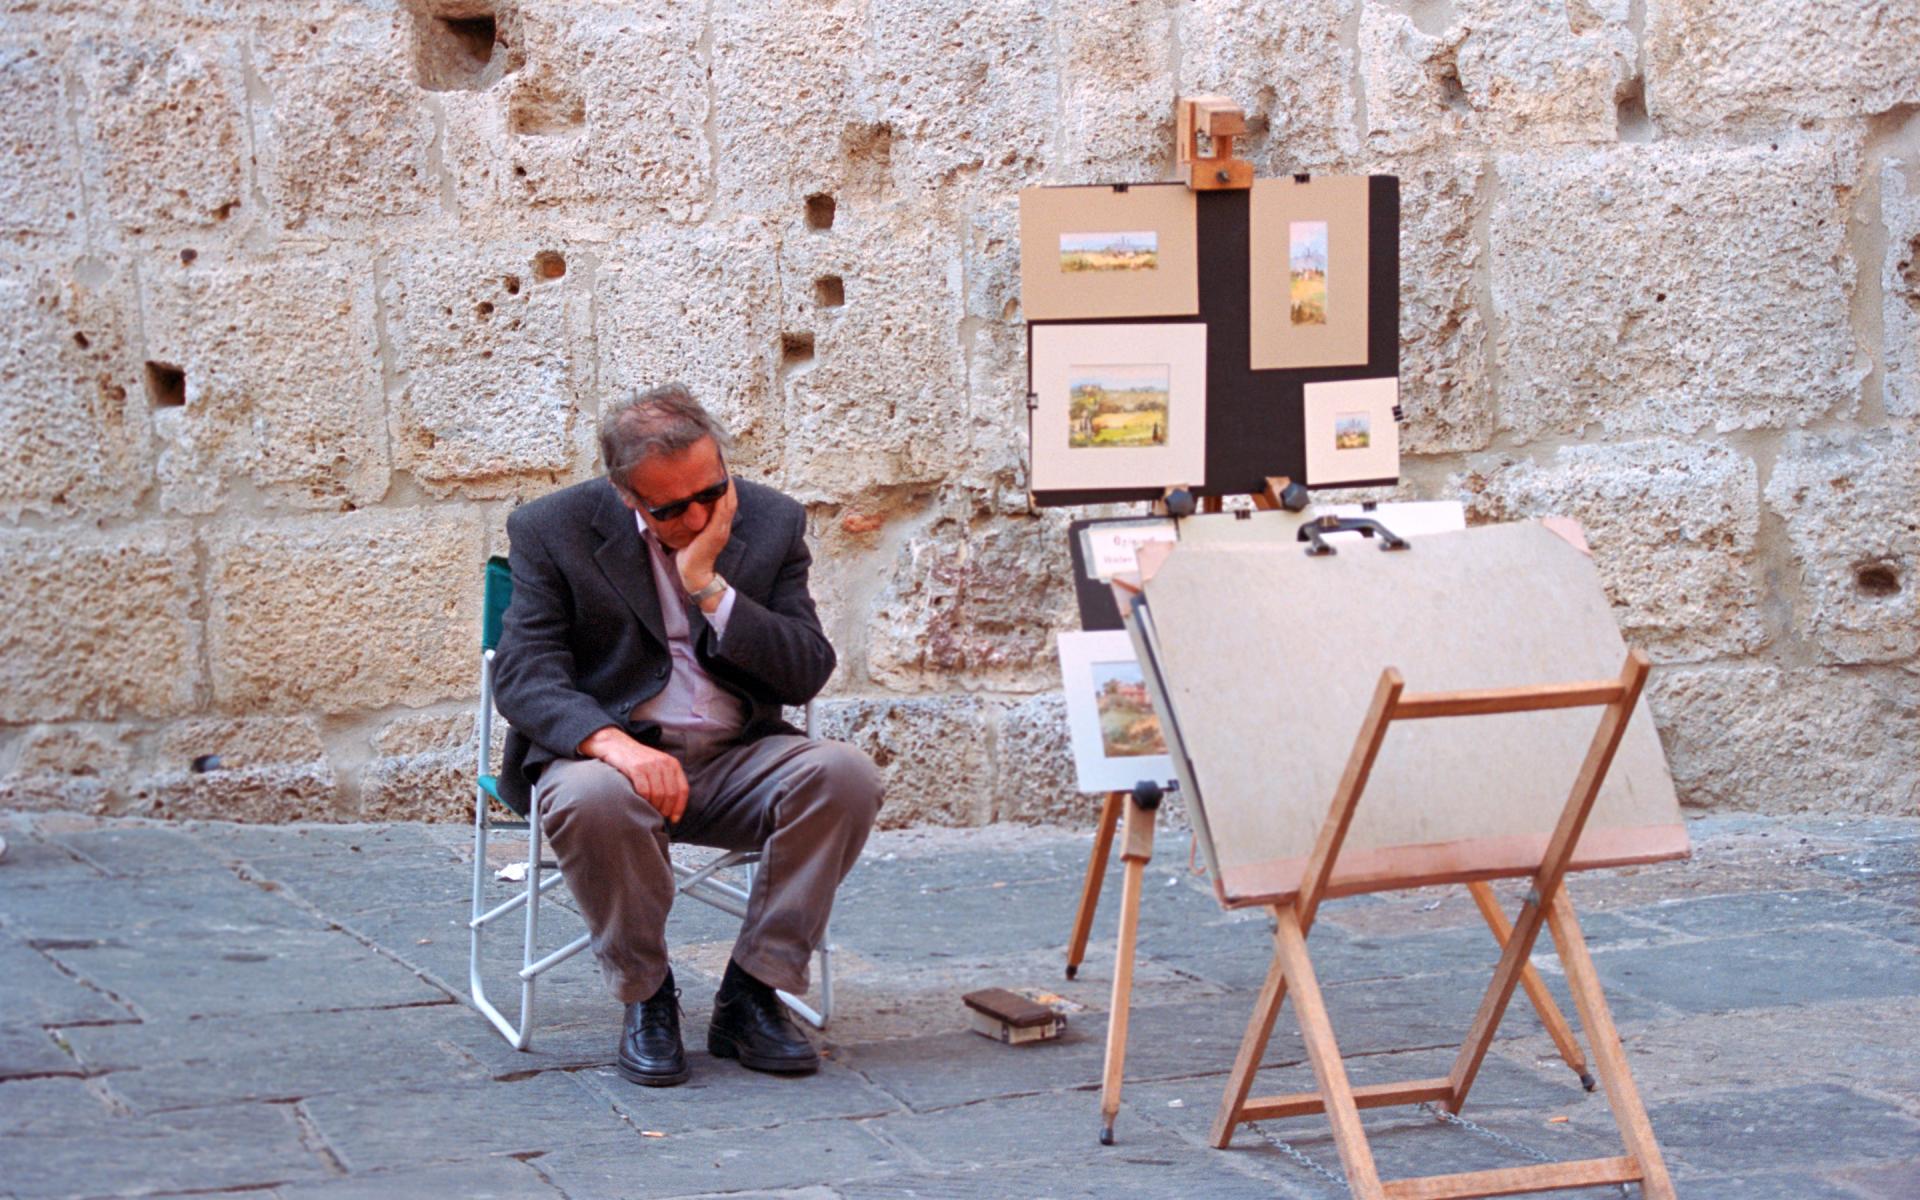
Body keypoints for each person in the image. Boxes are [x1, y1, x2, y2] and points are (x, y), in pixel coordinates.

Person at [492, 383, 883, 1087]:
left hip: (737, 758)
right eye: (671, 509)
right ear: (624, 495)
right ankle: (647, 995)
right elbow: (524, 676)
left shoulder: (768, 521)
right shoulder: (552, 529)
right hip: (613, 764)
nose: (699, 515)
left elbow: (805, 671)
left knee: (846, 774)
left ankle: (753, 991)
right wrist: (615, 745)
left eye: (712, 491)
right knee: (589, 797)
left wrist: (708, 583)